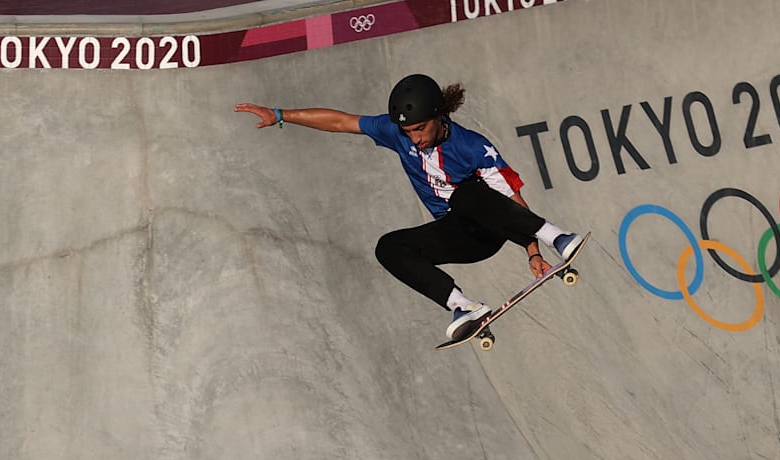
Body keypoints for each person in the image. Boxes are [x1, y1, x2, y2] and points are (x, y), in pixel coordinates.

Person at [235, 74, 584, 341]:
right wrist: (280, 114)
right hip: (459, 237)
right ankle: (463, 306)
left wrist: (533, 251)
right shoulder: (397, 133)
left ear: (438, 116)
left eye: (420, 129)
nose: (415, 138)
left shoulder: (473, 146)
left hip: (490, 225)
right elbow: (341, 122)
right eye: (408, 131)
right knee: (389, 247)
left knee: (466, 194)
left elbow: (509, 196)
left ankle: (557, 235)